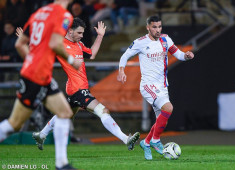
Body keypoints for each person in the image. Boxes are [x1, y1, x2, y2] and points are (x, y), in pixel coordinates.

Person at [25, 17, 140, 151]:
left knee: (66, 115)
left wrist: (100, 36)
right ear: (69, 31)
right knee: (103, 110)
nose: (81, 36)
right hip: (77, 89)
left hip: (76, 88)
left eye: (83, 33)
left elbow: (91, 54)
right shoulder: (60, 44)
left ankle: (42, 134)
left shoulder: (79, 45)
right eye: (79, 33)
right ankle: (126, 139)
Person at [0, 0, 81, 170]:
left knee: (64, 112)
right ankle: (61, 163)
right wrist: (71, 59)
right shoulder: (65, 15)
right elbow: (55, 43)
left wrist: (32, 62)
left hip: (39, 74)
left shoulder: (39, 13)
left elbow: (19, 44)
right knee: (13, 124)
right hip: (36, 76)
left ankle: (61, 163)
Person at [117, 15, 194, 160]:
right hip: (148, 85)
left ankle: (146, 143)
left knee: (161, 119)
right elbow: (125, 56)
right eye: (154, 27)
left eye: (159, 26)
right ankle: (155, 140)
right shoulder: (140, 42)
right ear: (148, 27)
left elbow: (178, 54)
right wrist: (121, 70)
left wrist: (187, 56)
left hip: (163, 85)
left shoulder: (166, 39)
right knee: (168, 108)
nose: (157, 30)